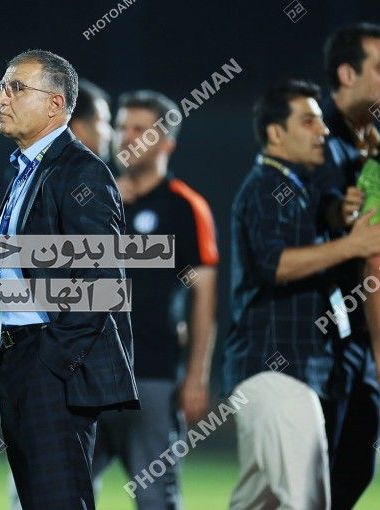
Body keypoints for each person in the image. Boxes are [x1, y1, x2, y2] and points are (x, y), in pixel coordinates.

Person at [0, 49, 138, 509]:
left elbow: (101, 283)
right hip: (17, 356)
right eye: (1, 87)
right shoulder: (26, 169)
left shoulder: (81, 170)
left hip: (48, 362)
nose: (1, 98)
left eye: (16, 88)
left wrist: (52, 363)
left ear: (56, 104)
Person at [223, 79, 380, 509]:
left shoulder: (294, 185)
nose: (323, 130)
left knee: (259, 504)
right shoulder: (265, 186)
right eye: (308, 121)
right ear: (276, 133)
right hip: (277, 370)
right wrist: (352, 245)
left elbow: (312, 222)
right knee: (307, 501)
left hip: (287, 371)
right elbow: (274, 264)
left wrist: (338, 213)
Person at [96, 90, 219, 509]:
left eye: (140, 129)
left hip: (151, 375)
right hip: (85, 375)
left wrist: (197, 375)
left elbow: (204, 294)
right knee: (59, 494)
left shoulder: (185, 207)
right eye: (121, 127)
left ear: (166, 143)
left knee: (155, 499)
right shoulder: (92, 201)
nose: (126, 137)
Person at [320, 22, 380, 509]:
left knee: (354, 468)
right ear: (347, 73)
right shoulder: (314, 141)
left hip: (360, 335)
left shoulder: (371, 147)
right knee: (310, 479)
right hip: (318, 338)